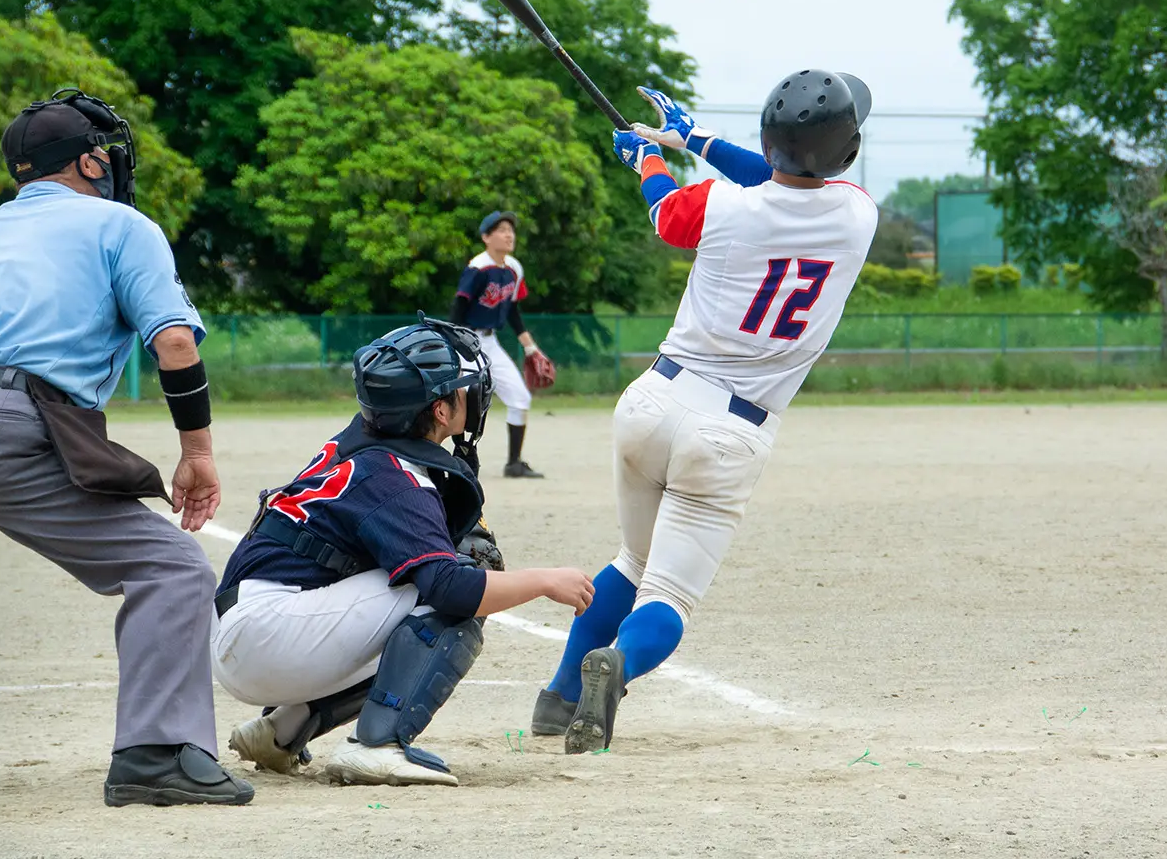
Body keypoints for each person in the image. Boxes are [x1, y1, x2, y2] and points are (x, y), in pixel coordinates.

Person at [0, 89, 252, 807]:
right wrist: (197, 450)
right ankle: (155, 753)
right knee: (171, 568)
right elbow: (171, 341)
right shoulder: (122, 225)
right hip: (7, 425)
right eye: (105, 151)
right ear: (89, 161)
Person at [533, 75, 879, 754]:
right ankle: (619, 666)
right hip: (730, 431)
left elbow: (670, 215)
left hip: (656, 398)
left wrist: (650, 160)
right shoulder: (856, 214)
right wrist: (690, 139)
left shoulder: (724, 206)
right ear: (844, 154)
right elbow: (782, 177)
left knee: (631, 560)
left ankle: (560, 693)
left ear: (768, 139)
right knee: (667, 592)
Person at [212, 318, 593, 786]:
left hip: (255, 626)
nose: (471, 393)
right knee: (458, 582)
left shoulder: (360, 439)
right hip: (267, 635)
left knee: (423, 596)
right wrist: (545, 581)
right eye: (460, 388)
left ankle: (279, 732)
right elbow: (451, 588)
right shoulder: (396, 477)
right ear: (437, 410)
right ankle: (378, 745)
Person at [450, 211, 554, 478]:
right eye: (501, 230)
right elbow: (458, 309)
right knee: (463, 402)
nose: (509, 235)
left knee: (520, 398)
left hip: (491, 342)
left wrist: (530, 347)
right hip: (466, 340)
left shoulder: (514, 269)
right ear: (486, 237)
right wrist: (455, 345)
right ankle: (460, 461)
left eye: (511, 230)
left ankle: (514, 463)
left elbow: (512, 311)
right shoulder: (478, 268)